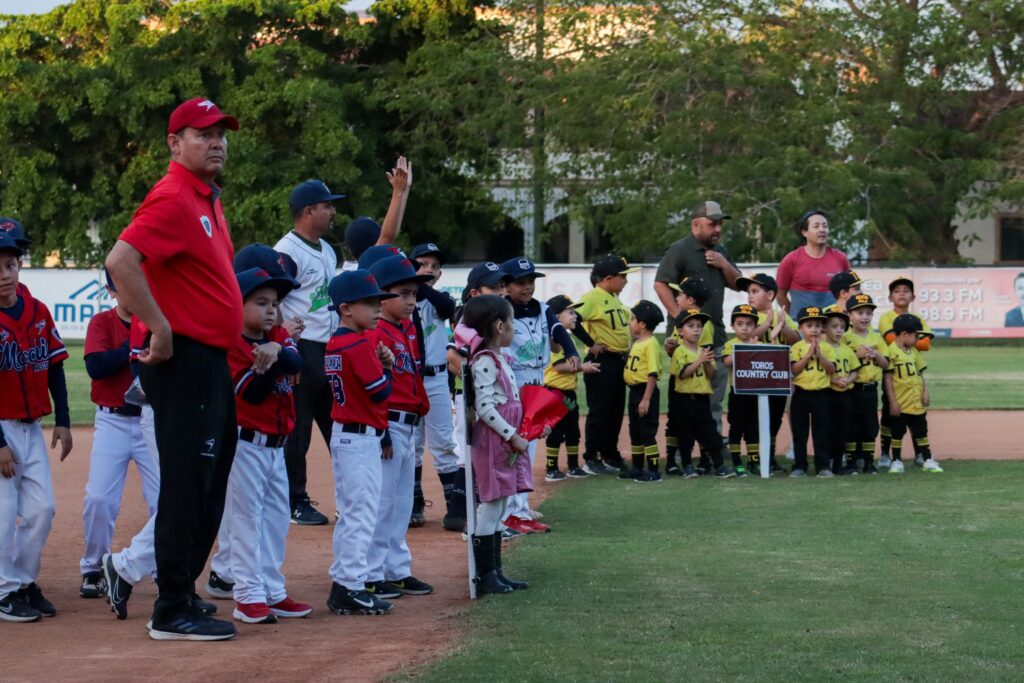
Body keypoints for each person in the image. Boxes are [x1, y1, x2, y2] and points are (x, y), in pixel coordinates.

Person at [105, 96, 242, 641]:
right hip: (183, 358)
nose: (216, 142)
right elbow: (121, 261)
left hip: (208, 361)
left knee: (209, 481)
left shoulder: (204, 197)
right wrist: (158, 327)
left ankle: (183, 590)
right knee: (188, 483)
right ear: (174, 143)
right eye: (203, 133)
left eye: (221, 134)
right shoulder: (173, 195)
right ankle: (169, 609)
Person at [276, 162, 410, 525]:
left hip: (328, 349)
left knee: (337, 424)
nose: (333, 211)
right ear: (308, 211)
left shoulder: (326, 251)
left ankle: (348, 495)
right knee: (299, 430)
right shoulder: (287, 251)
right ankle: (295, 500)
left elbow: (383, 243)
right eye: (327, 205)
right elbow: (268, 295)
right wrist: (279, 329)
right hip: (302, 349)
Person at [214, 268, 311, 624]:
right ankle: (247, 594)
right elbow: (251, 395)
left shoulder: (278, 335)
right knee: (246, 519)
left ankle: (272, 590)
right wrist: (269, 361)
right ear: (235, 305)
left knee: (275, 519)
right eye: (260, 302)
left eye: (274, 303)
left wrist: (273, 349)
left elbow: (297, 360)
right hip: (246, 445)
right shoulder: (231, 345)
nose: (271, 310)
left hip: (276, 446)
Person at [0, 230, 73, 623]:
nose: (3, 274)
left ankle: (23, 583)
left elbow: (56, 368)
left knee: (42, 509)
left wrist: (63, 419)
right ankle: (3, 590)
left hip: (31, 431)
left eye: (9, 264)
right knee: (2, 513)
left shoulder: (38, 310)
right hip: (1, 431)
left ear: (19, 265)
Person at [79, 272, 159, 599]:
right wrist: (135, 347)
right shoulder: (102, 322)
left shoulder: (155, 321)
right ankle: (93, 568)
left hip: (150, 420)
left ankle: (161, 566)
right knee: (99, 499)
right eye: (125, 283)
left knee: (163, 500)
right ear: (112, 290)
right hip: (112, 420)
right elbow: (96, 366)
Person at [323, 270, 398, 616]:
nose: (378, 308)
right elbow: (380, 391)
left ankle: (344, 582)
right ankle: (350, 586)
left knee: (352, 513)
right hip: (358, 438)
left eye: (378, 302)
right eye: (369, 303)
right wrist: (387, 365)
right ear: (345, 309)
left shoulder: (335, 342)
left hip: (348, 434)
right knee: (361, 514)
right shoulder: (356, 344)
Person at [364, 255, 435, 600]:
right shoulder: (375, 332)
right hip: (388, 423)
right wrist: (384, 430)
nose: (411, 301)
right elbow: (372, 387)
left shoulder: (406, 327)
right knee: (383, 501)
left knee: (403, 502)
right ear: (380, 296)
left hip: (410, 423)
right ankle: (372, 572)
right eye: (403, 293)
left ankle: (397, 569)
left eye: (414, 294)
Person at [500, 257, 580, 534]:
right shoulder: (502, 310)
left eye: (531, 281)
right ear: (506, 285)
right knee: (515, 448)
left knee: (528, 446)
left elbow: (558, 329)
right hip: (514, 381)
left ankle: (519, 510)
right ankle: (509, 513)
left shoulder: (542, 308)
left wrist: (570, 350)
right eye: (520, 282)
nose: (527, 287)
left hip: (536, 380)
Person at [463, 295, 533, 595]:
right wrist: (511, 435)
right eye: (512, 322)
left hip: (504, 439)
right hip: (495, 441)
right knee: (491, 504)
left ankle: (496, 572)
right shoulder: (484, 362)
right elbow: (486, 407)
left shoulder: (498, 359)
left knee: (501, 501)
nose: (514, 328)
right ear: (500, 325)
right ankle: (485, 575)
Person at [654, 201, 742, 437]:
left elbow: (738, 284)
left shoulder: (721, 252)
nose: (717, 229)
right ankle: (681, 448)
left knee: (714, 396)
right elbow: (660, 283)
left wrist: (724, 265)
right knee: (683, 396)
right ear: (696, 225)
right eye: (712, 224)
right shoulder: (680, 250)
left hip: (716, 335)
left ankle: (711, 447)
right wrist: (678, 315)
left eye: (720, 224)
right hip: (683, 340)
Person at [409, 243, 464, 533]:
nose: (428, 270)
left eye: (433, 266)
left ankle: (454, 505)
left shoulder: (438, 299)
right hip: (410, 379)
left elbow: (448, 309)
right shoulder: (400, 299)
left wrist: (423, 283)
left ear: (440, 273)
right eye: (422, 264)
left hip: (436, 378)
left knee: (443, 441)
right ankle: (414, 502)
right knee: (413, 443)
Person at [575, 254, 639, 475]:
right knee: (600, 411)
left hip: (617, 362)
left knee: (614, 412)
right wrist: (591, 344)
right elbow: (571, 318)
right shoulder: (594, 296)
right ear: (608, 278)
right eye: (623, 276)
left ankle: (610, 454)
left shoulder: (613, 298)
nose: (626, 281)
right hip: (601, 362)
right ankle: (591, 458)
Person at [877, 276, 933, 468]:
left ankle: (920, 454)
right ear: (890, 297)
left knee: (917, 416)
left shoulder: (919, 319)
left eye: (906, 291)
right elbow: (892, 339)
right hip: (894, 372)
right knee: (890, 415)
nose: (902, 293)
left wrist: (908, 340)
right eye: (897, 291)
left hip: (912, 371)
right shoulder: (886, 318)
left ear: (913, 297)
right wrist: (913, 340)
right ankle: (885, 453)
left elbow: (926, 344)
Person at [669, 309, 732, 478]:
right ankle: (688, 466)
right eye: (691, 326)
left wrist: (706, 362)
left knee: (710, 433)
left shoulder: (704, 351)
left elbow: (711, 375)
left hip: (702, 399)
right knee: (685, 434)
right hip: (685, 399)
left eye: (699, 326)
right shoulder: (679, 351)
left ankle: (718, 465)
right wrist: (699, 361)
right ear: (680, 331)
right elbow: (682, 374)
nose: (696, 330)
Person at [661, 278, 714, 475]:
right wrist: (670, 348)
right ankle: (672, 460)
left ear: (690, 299)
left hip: (694, 382)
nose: (677, 297)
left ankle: (703, 460)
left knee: (697, 423)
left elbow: (700, 352)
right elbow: (680, 350)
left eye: (680, 294)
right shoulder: (683, 320)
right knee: (674, 421)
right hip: (680, 376)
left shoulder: (700, 323)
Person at [542, 295, 598, 481]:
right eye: (571, 312)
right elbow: (559, 366)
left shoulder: (568, 339)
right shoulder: (555, 340)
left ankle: (573, 466)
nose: (575, 316)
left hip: (568, 394)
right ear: (557, 318)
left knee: (573, 430)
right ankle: (551, 468)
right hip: (554, 393)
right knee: (556, 431)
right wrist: (583, 367)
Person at [885, 314, 943, 473]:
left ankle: (927, 459)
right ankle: (896, 460)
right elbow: (888, 378)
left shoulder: (914, 352)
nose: (918, 340)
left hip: (916, 401)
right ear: (904, 334)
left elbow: (920, 374)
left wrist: (926, 392)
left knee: (921, 431)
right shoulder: (891, 352)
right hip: (901, 402)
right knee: (897, 433)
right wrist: (892, 402)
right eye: (916, 336)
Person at [843, 293, 888, 474]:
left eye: (868, 313)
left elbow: (886, 364)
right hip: (852, 388)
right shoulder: (846, 337)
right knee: (851, 424)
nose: (865, 317)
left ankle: (868, 461)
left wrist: (877, 355)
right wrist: (857, 356)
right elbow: (841, 361)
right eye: (860, 312)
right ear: (849, 316)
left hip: (870, 388)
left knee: (870, 425)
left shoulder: (876, 338)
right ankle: (852, 462)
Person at [788, 307, 836, 478]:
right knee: (800, 432)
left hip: (822, 394)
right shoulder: (797, 347)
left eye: (817, 325)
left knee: (821, 432)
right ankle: (800, 465)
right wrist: (808, 355)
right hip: (801, 394)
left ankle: (822, 466)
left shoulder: (828, 347)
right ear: (801, 327)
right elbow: (794, 370)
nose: (814, 329)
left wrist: (820, 356)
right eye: (809, 325)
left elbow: (831, 370)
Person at [621, 301, 665, 482]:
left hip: (645, 392)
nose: (630, 322)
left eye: (633, 319)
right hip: (634, 391)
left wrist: (646, 399)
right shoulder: (639, 342)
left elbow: (652, 373)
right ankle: (637, 467)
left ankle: (654, 471)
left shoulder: (651, 344)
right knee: (635, 431)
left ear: (642, 324)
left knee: (647, 431)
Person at [775, 210, 851, 314]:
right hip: (801, 326)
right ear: (804, 232)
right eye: (816, 226)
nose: (822, 230)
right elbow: (780, 294)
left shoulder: (840, 258)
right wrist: (793, 318)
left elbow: (849, 291)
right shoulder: (791, 259)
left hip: (833, 325)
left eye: (825, 226)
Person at [721, 304, 760, 476]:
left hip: (754, 392)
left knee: (753, 428)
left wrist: (756, 347)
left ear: (755, 327)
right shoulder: (730, 344)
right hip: (737, 393)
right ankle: (737, 461)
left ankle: (754, 461)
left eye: (749, 324)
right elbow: (727, 362)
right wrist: (746, 349)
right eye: (740, 323)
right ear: (733, 326)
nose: (744, 327)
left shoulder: (759, 344)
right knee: (736, 428)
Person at [822, 305, 860, 475]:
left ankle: (838, 463)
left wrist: (848, 380)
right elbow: (820, 371)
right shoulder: (822, 348)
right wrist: (834, 380)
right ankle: (826, 462)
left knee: (842, 429)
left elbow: (855, 370)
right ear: (825, 327)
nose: (839, 331)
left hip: (845, 393)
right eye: (834, 326)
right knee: (827, 428)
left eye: (842, 327)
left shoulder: (846, 350)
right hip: (828, 393)